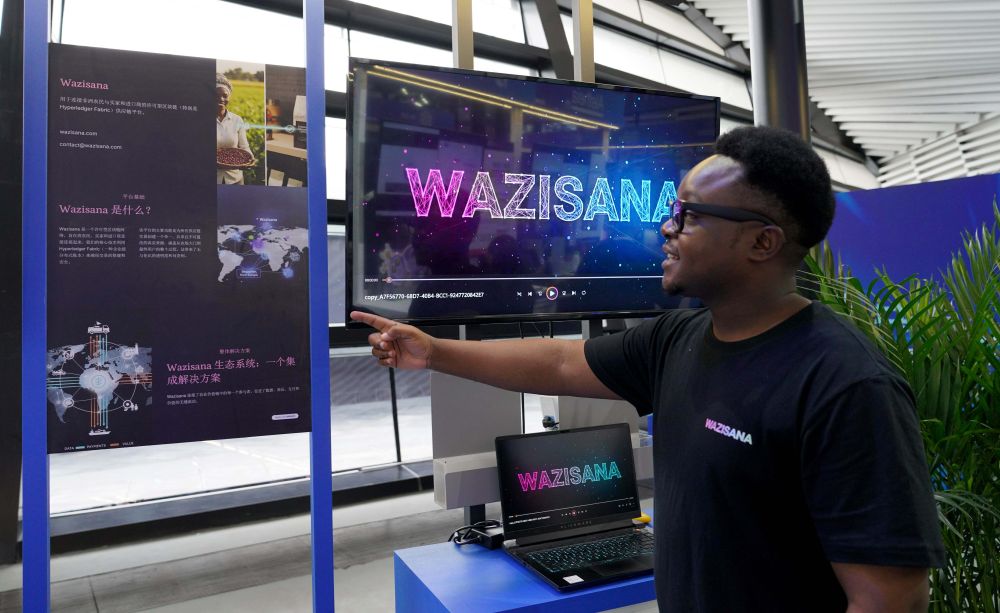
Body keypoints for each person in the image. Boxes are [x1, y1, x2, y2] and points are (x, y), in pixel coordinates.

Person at [351, 126, 945, 612]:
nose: (666, 227)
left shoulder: (845, 385)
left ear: (762, 243)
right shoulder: (678, 338)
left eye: (690, 215)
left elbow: (889, 599)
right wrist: (436, 352)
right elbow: (560, 360)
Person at [216, 73, 252, 185]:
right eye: (216, 95)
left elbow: (244, 147)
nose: (221, 99)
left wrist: (249, 160)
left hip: (235, 179)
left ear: (229, 97)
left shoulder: (237, 120)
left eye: (225, 95)